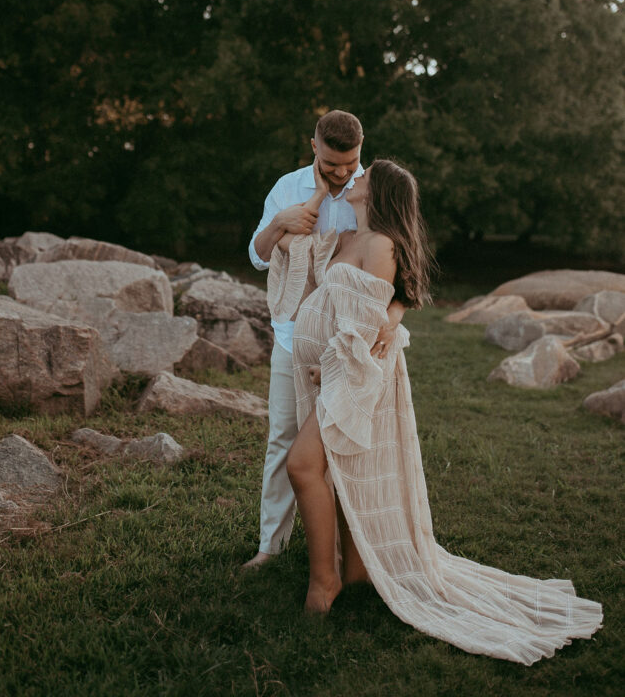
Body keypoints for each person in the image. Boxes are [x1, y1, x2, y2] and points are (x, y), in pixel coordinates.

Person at [267, 159, 603, 665]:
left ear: (377, 194)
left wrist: (334, 364)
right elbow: (293, 263)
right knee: (340, 465)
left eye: (362, 177)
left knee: (303, 464)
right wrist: (301, 209)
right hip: (337, 372)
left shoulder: (379, 246)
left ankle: (325, 581)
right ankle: (357, 570)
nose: (353, 179)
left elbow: (362, 332)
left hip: (354, 377)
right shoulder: (349, 235)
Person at [242, 111, 406, 570]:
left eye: (350, 163)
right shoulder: (288, 188)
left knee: (344, 446)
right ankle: (270, 548)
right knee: (283, 440)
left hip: (347, 345)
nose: (342, 173)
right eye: (333, 163)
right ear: (313, 144)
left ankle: (345, 553)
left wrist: (392, 317)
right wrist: (280, 225)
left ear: (360, 148)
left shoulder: (375, 189)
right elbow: (256, 257)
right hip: (294, 337)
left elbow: (404, 268)